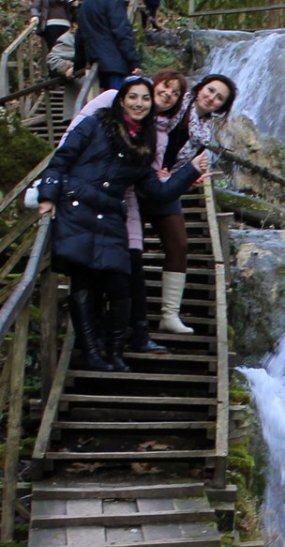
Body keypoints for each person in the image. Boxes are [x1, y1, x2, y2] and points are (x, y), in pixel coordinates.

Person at [37, 76, 207, 372]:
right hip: (78, 208)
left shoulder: (143, 146)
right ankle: (92, 353)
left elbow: (158, 192)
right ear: (121, 99)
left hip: (111, 217)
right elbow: (61, 159)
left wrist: (190, 171)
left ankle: (115, 353)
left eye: (144, 99)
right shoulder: (94, 124)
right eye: (133, 97)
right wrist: (48, 196)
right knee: (84, 283)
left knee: (119, 284)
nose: (138, 103)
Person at [65, 69, 188, 354]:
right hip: (90, 197)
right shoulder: (109, 102)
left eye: (175, 93)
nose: (167, 95)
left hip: (127, 201)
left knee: (131, 265)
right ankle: (96, 343)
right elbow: (74, 135)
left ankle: (132, 337)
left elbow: (150, 179)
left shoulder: (160, 132)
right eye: (164, 88)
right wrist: (55, 184)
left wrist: (176, 175)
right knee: (95, 268)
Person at [143, 73, 236, 335]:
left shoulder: (205, 129)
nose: (212, 98)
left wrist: (184, 177)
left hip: (168, 186)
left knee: (179, 244)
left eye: (219, 98)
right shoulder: (176, 105)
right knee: (130, 247)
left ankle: (169, 314)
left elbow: (190, 163)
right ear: (200, 89)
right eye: (210, 90)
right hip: (141, 179)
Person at [74, 0, 140, 92]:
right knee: (117, 100)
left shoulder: (85, 5)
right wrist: (133, 62)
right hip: (116, 65)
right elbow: (122, 31)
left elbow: (80, 38)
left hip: (98, 64)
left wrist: (78, 66)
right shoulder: (113, 2)